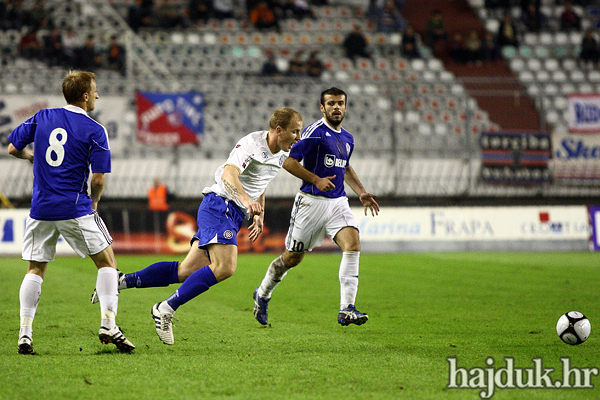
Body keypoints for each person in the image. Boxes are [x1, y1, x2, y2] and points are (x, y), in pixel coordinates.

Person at [91, 107, 303, 345]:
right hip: (220, 205)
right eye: (295, 132)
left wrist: (258, 213)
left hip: (231, 212)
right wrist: (246, 201)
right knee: (225, 267)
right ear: (278, 130)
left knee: (185, 271)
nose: (298, 137)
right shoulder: (251, 144)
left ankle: (120, 281)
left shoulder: (283, 152)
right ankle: (165, 308)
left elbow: (260, 180)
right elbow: (228, 175)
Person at [7, 70, 135, 354]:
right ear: (86, 96)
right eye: (96, 90)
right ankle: (108, 323)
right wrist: (95, 202)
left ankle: (25, 334)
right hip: (74, 207)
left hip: (40, 208)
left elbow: (13, 147)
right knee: (107, 263)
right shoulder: (95, 130)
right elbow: (99, 179)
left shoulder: (42, 116)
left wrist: (32, 158)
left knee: (35, 269)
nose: (98, 95)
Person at [252, 87, 380, 327]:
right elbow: (288, 162)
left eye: (340, 103)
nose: (336, 107)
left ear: (345, 105)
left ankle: (346, 309)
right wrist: (316, 180)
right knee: (291, 259)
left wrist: (361, 192)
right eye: (331, 103)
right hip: (310, 204)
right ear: (322, 108)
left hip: (338, 202)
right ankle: (263, 293)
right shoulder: (313, 133)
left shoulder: (348, 137)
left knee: (352, 244)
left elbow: (345, 168)